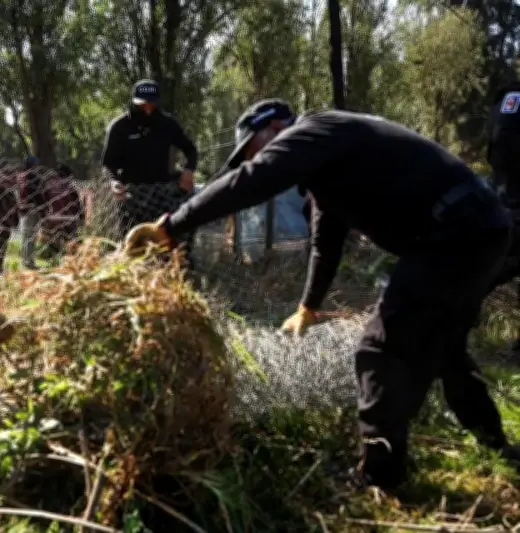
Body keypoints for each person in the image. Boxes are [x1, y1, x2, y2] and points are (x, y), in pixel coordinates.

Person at [124, 99, 520, 490]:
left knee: (378, 350)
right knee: (446, 345)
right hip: (478, 228)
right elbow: (324, 244)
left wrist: (172, 226)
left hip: (455, 232)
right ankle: (494, 441)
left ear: (275, 130)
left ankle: (379, 476)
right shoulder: (331, 164)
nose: (262, 158)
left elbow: (253, 181)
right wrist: (307, 307)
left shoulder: (316, 131)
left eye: (255, 150)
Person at [101, 79, 198, 255]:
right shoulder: (119, 127)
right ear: (133, 102)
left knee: (169, 247)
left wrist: (188, 171)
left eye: (151, 104)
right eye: (142, 104)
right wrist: (113, 182)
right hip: (131, 197)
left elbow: (191, 150)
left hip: (162, 197)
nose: (147, 109)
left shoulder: (168, 124)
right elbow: (108, 164)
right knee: (132, 248)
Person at [485, 82, 520, 357]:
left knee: (484, 271)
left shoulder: (503, 102)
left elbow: (494, 155)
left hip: (501, 203)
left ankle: (447, 327)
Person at [38, 163, 84, 259]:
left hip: (53, 219)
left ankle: (55, 256)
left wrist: (44, 216)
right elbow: (76, 203)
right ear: (67, 174)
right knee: (72, 240)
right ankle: (70, 258)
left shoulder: (49, 184)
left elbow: (43, 201)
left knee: (53, 239)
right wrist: (81, 215)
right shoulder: (69, 185)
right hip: (68, 219)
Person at [18, 155, 44, 269]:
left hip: (23, 208)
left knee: (25, 235)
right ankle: (29, 262)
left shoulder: (21, 176)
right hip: (33, 208)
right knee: (31, 236)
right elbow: (38, 194)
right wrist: (42, 207)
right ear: (33, 165)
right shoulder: (34, 176)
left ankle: (25, 260)